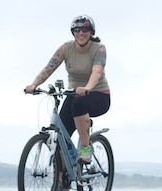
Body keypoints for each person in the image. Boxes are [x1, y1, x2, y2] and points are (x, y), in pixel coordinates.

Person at [25, 15, 109, 180]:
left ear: (91, 32)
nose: (81, 33)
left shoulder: (99, 49)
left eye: (85, 29)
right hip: (74, 94)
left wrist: (87, 88)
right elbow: (49, 67)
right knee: (61, 136)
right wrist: (34, 84)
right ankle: (62, 180)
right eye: (77, 30)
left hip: (98, 95)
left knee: (78, 105)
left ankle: (85, 149)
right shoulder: (66, 48)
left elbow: (97, 72)